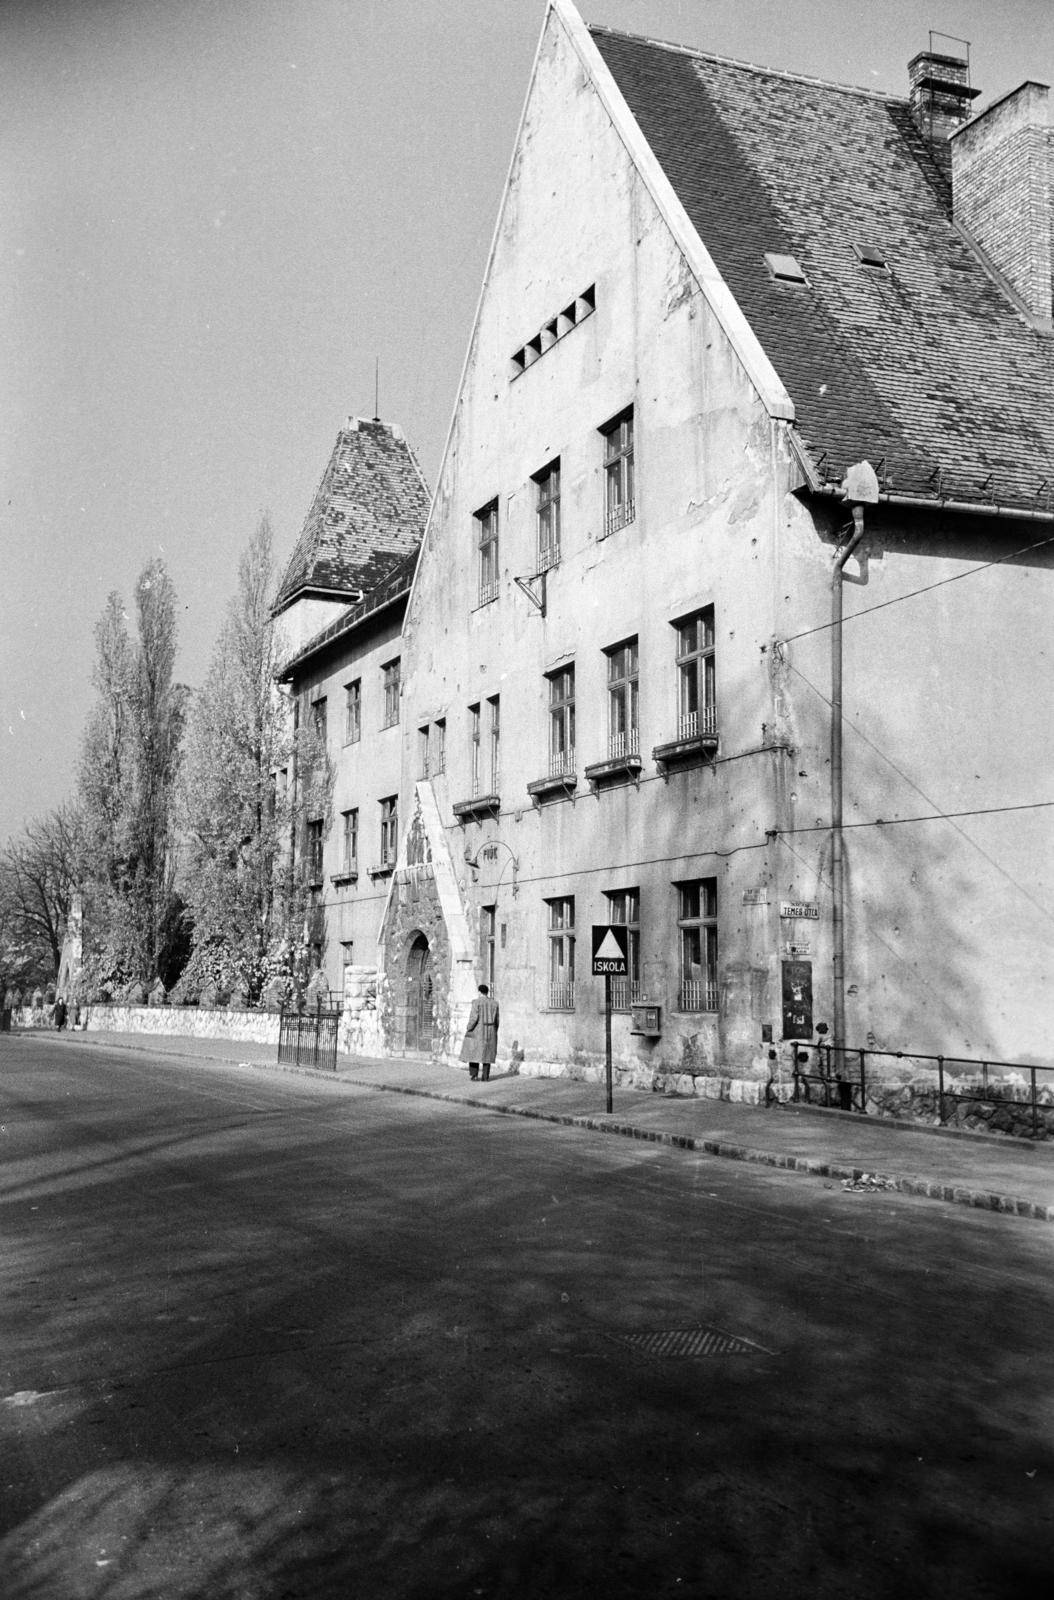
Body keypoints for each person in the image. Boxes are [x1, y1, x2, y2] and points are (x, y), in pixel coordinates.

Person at [459, 984, 499, 1081]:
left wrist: (469, 1027)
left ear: (479, 992)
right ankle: (485, 1077)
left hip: (478, 1030)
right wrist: (495, 1030)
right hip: (490, 1031)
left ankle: (474, 1075)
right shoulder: (495, 1003)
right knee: (487, 1054)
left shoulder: (476, 1002)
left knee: (473, 1052)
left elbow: (474, 1018)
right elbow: (497, 1020)